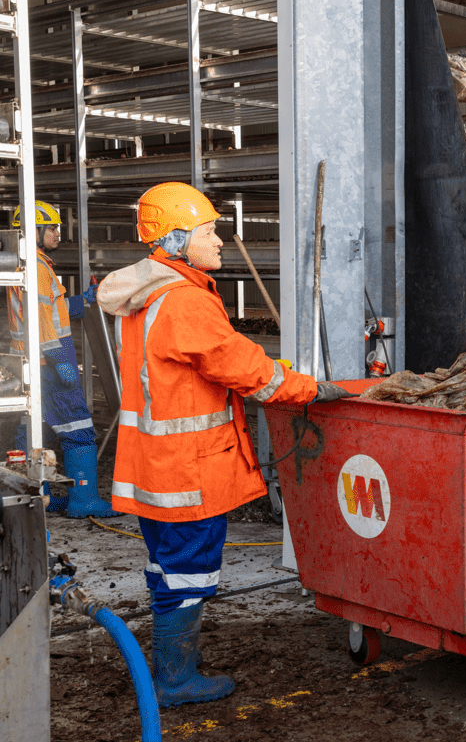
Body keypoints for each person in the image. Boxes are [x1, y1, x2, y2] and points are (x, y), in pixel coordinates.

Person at [96, 182, 351, 708]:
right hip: (188, 478)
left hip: (156, 473)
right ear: (176, 238)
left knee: (169, 569)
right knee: (188, 573)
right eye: (210, 232)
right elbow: (246, 370)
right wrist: (313, 389)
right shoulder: (185, 302)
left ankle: (170, 671)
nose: (220, 242)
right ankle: (174, 680)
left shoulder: (147, 297)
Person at [7, 199, 117, 518]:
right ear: (35, 232)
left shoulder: (30, 266)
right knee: (79, 428)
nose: (58, 234)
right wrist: (59, 359)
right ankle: (83, 500)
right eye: (53, 229)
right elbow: (42, 323)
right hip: (49, 366)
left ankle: (33, 498)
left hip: (31, 365)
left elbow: (51, 312)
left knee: (33, 432)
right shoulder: (38, 269)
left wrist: (82, 301)